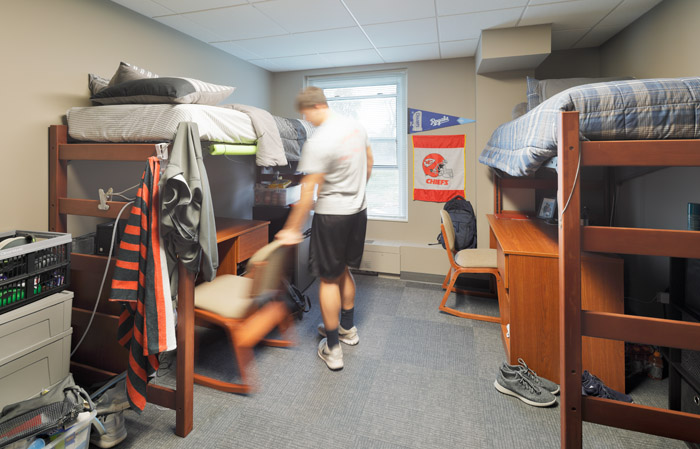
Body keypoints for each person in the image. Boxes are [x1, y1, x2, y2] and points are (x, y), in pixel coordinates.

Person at [276, 87, 373, 371]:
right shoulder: (356, 127)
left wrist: (291, 228)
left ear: (317, 106)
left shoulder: (319, 142)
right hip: (359, 211)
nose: (306, 118)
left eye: (306, 113)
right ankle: (347, 329)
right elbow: (368, 164)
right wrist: (352, 191)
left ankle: (332, 349)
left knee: (328, 280)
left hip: (332, 216)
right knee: (343, 269)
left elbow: (307, 195)